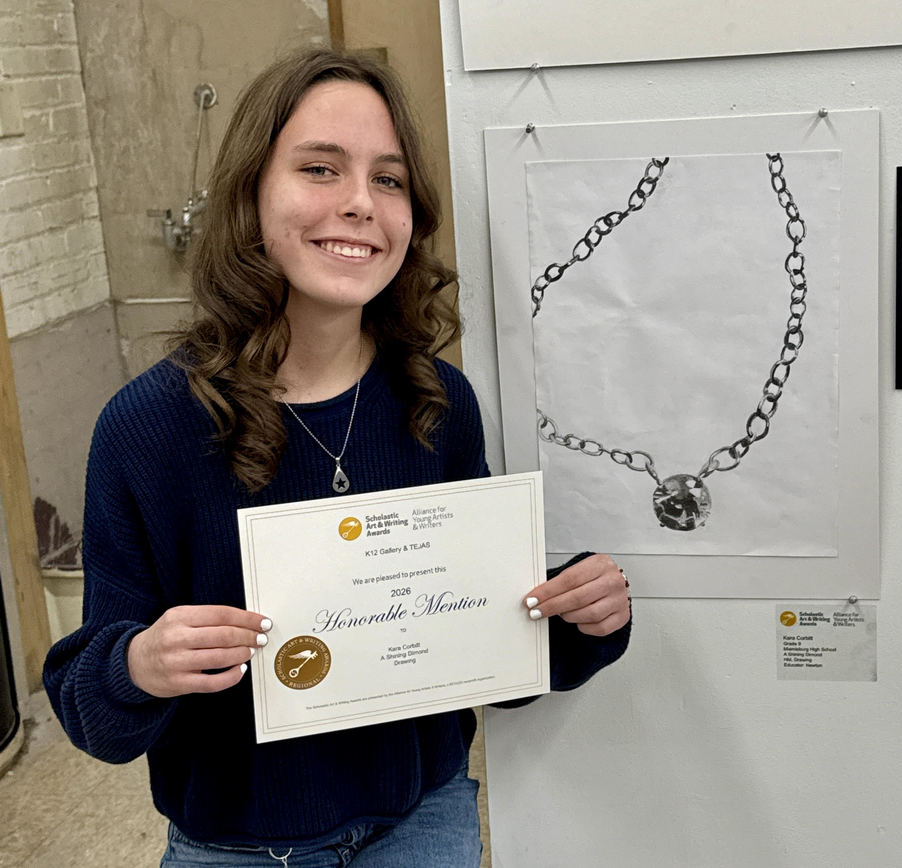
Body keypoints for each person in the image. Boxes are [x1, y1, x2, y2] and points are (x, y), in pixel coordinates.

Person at [43, 47, 631, 867]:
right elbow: (86, 710)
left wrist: (575, 621)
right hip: (233, 848)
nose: (359, 203)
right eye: (321, 168)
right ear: (251, 193)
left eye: (389, 180)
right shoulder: (146, 430)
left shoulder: (438, 404)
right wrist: (139, 663)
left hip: (423, 823)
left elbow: (491, 663)